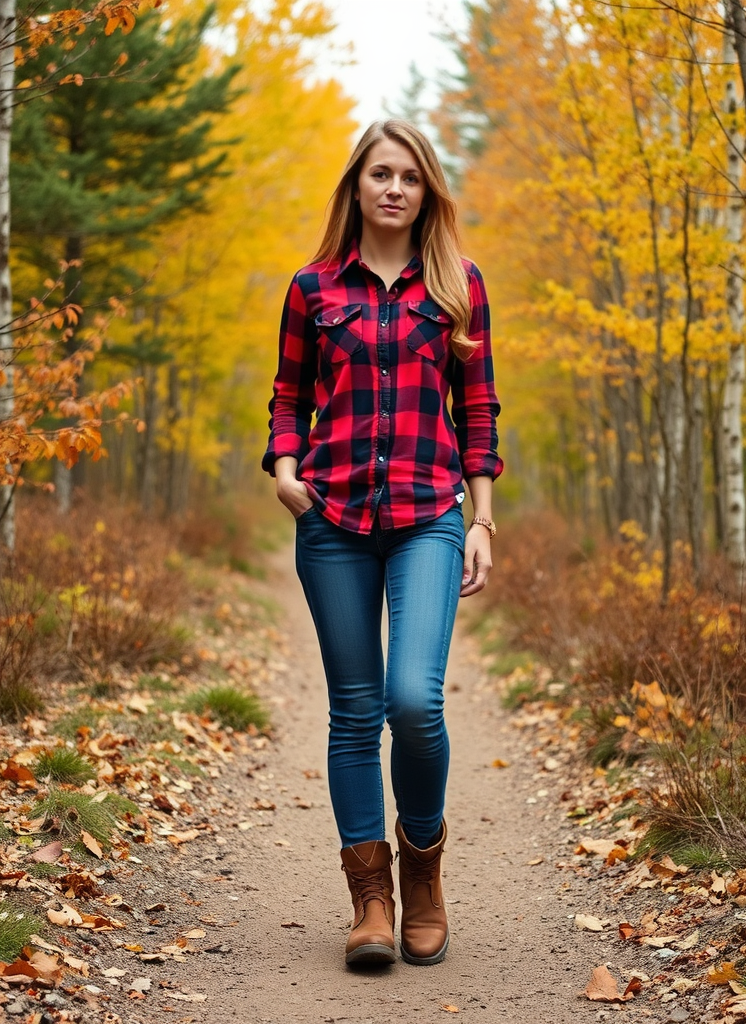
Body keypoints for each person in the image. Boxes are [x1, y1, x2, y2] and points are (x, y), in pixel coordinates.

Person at [262, 119, 502, 968]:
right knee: (355, 712)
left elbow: (478, 411)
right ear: (356, 188)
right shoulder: (313, 287)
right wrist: (286, 466)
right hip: (330, 521)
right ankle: (371, 898)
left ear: (426, 190)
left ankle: (425, 871)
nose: (394, 188)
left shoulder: (458, 285)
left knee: (414, 701)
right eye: (380, 175)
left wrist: (480, 519)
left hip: (428, 514)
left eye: (409, 176)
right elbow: (288, 394)